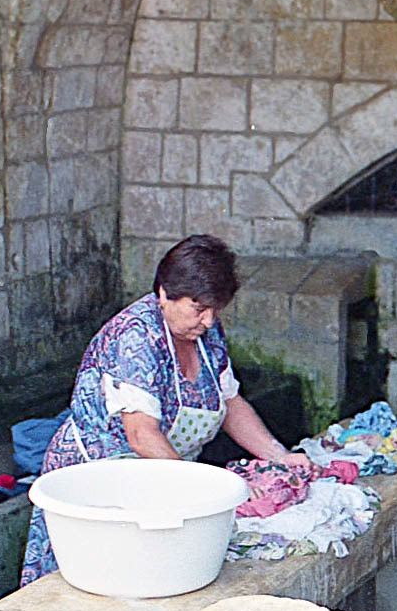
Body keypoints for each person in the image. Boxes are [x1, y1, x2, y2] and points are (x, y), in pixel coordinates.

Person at [20, 234, 312, 586]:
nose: (208, 320)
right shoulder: (135, 337)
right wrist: (208, 490)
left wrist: (279, 455)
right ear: (164, 293)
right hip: (100, 489)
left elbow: (230, 403)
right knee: (102, 586)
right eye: (198, 308)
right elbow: (141, 435)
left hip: (164, 479)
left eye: (216, 309)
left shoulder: (205, 333)